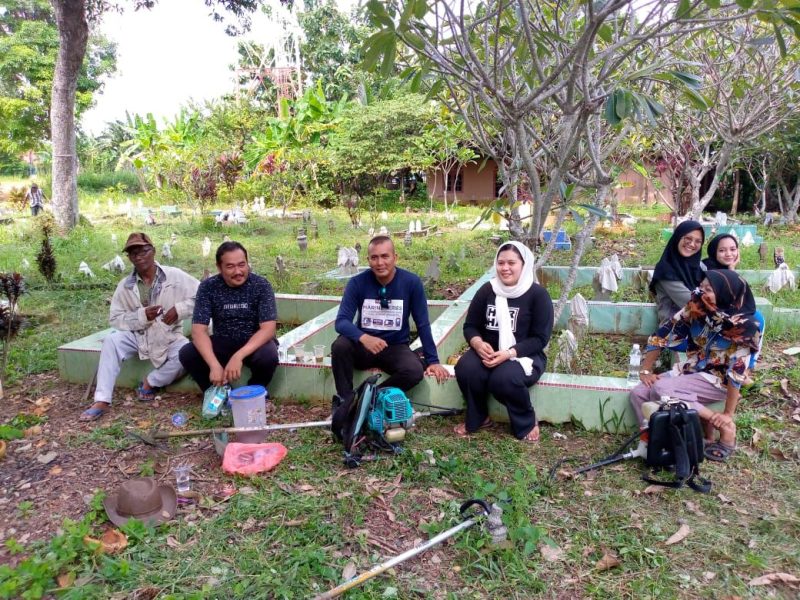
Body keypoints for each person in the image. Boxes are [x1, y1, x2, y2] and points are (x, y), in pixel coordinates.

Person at [629, 270, 761, 462]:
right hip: (692, 368)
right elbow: (663, 334)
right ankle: (659, 440)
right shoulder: (698, 307)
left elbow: (736, 373)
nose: (701, 292)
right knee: (639, 393)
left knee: (661, 388)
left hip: (718, 379)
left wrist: (728, 414)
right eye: (702, 287)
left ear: (726, 293)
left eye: (709, 289)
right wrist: (646, 370)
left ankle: (724, 427)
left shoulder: (744, 327)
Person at [79, 233, 199, 421]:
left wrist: (179, 309)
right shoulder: (125, 286)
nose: (139, 256)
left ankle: (151, 382)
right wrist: (141, 316)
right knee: (112, 341)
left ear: (153, 251)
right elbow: (116, 319)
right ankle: (101, 400)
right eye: (133, 253)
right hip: (139, 336)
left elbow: (202, 296)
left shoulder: (174, 276)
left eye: (143, 250)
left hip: (169, 335)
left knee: (188, 353)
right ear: (129, 258)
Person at [453, 242, 553, 443]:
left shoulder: (538, 295)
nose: (505, 268)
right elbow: (470, 326)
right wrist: (478, 344)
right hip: (488, 352)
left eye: (511, 263)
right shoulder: (488, 290)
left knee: (503, 378)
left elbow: (540, 339)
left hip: (524, 355)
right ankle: (479, 417)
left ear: (524, 265)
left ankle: (526, 420)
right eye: (500, 263)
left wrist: (508, 354)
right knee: (466, 368)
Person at [331, 235, 449, 405]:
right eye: (374, 257)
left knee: (414, 370)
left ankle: (370, 399)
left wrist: (433, 361)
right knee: (340, 346)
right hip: (364, 347)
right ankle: (345, 401)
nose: (380, 263)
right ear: (368, 260)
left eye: (385, 256)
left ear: (395, 257)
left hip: (394, 348)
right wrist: (364, 338)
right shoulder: (357, 283)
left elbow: (422, 324)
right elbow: (341, 322)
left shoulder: (411, 283)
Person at [179, 241, 279, 393]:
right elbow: (199, 331)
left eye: (242, 264)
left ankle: (255, 391)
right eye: (230, 266)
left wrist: (239, 356)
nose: (238, 271)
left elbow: (268, 329)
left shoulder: (261, 285)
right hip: (223, 341)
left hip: (253, 342)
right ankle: (219, 392)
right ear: (219, 267)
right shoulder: (208, 287)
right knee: (187, 353)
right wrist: (214, 365)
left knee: (269, 355)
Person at [650, 220, 705, 321]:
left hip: (699, 325)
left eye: (698, 241)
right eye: (688, 238)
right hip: (675, 330)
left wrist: (731, 267)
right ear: (677, 237)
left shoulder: (699, 267)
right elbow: (693, 304)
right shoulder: (666, 270)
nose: (692, 244)